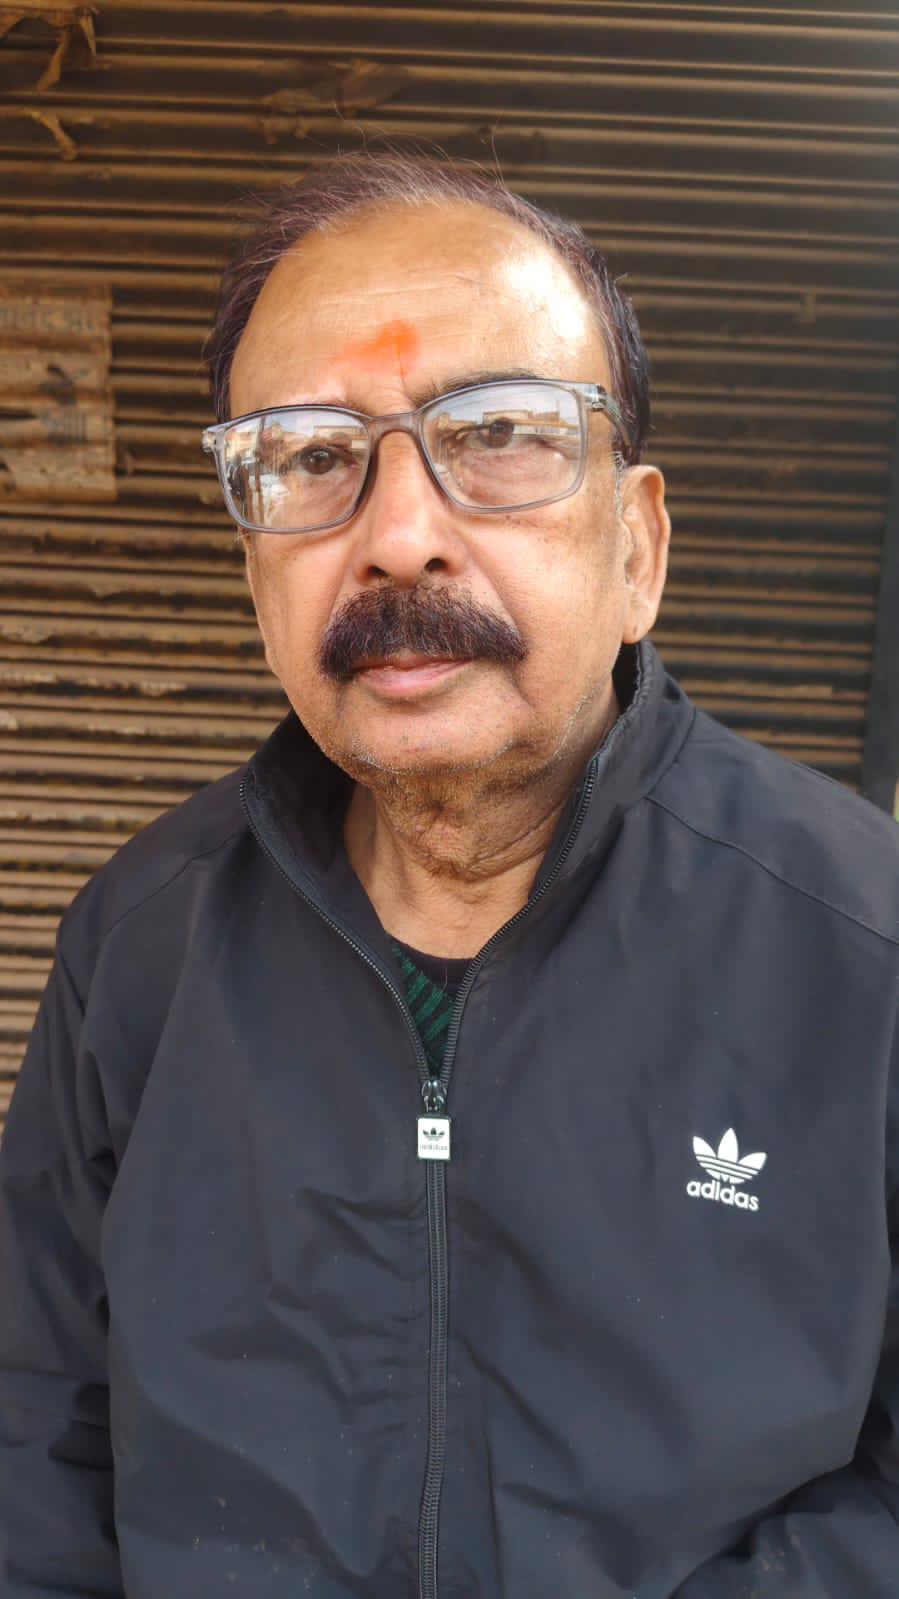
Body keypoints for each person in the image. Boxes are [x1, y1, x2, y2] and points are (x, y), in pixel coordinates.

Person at [1, 151, 898, 1599]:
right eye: (309, 458)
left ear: (638, 546)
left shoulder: (863, 947)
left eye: (497, 434)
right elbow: (33, 1441)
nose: (399, 536)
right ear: (253, 571)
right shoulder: (140, 946)